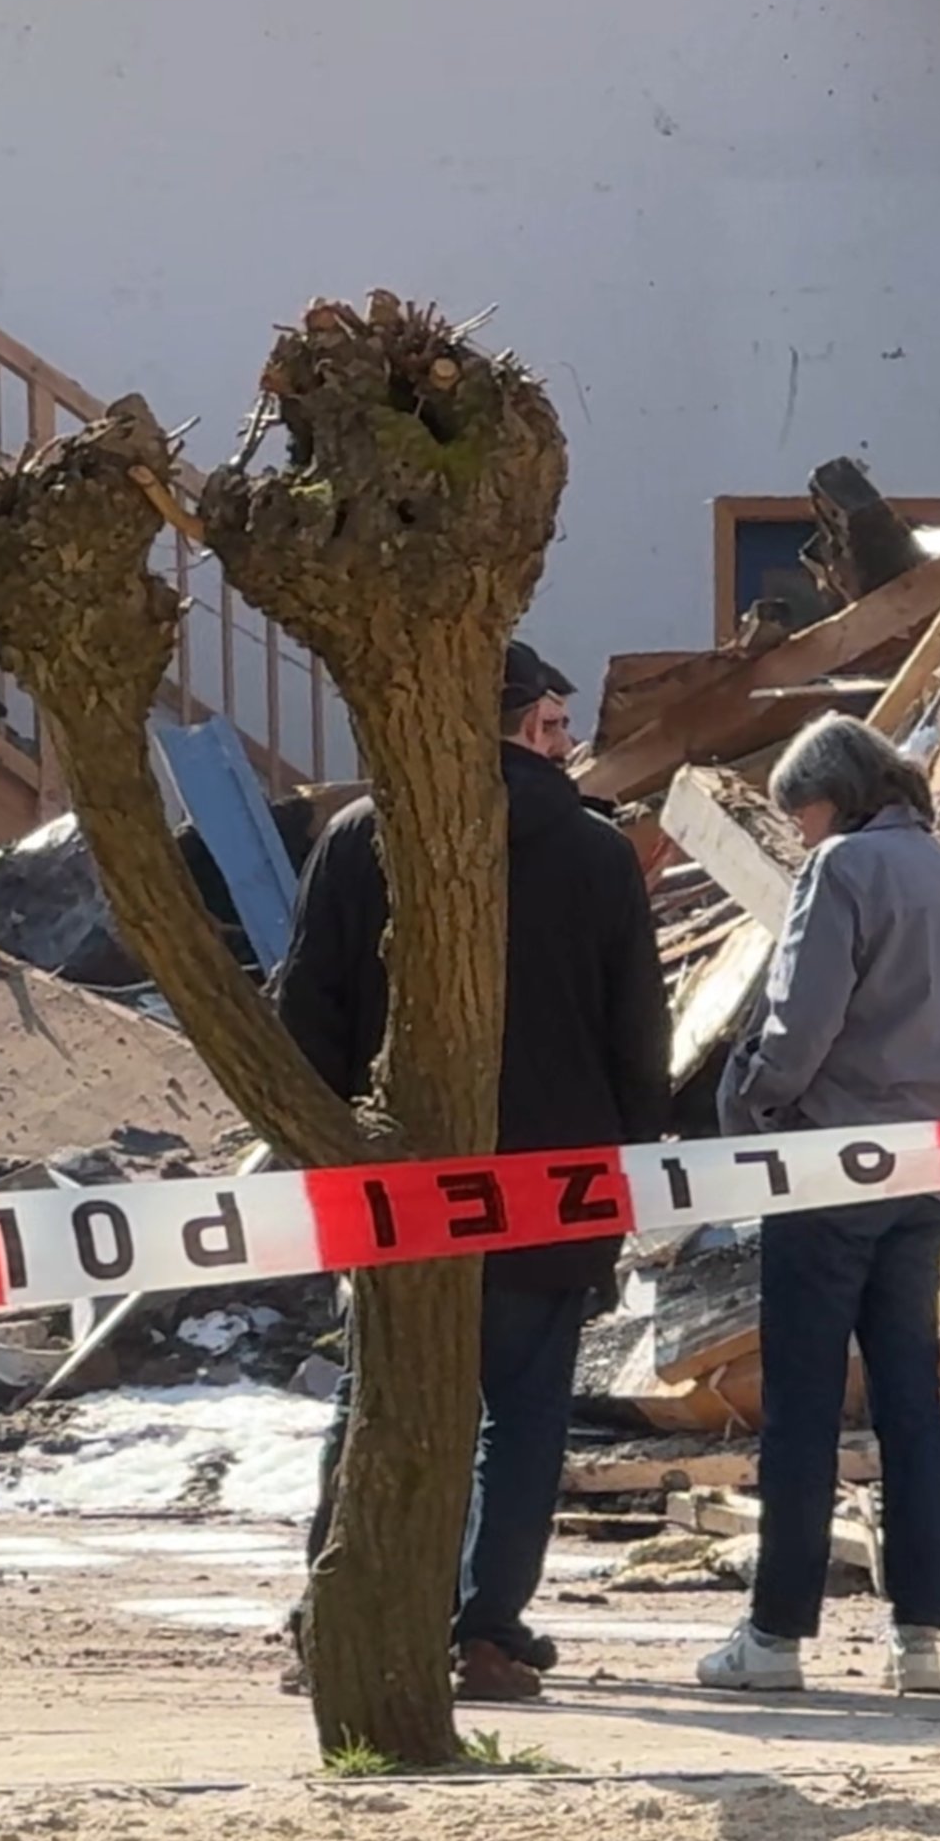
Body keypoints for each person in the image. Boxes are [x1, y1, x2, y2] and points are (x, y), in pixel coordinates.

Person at [275, 639, 670, 1705]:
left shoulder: (361, 838)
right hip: (552, 1186)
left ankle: (337, 1614)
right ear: (529, 718)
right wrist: (626, 1174)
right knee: (525, 1412)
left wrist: (324, 1157)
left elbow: (305, 1014)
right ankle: (488, 1629)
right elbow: (640, 1035)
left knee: (378, 1397)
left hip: (394, 1184)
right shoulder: (594, 853)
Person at [695, 715, 940, 1698]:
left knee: (805, 1407)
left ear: (833, 796)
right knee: (911, 1402)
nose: (801, 837)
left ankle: (776, 1635)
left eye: (802, 816)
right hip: (930, 1166)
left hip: (830, 1164)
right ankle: (921, 1638)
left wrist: (751, 1104)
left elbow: (800, 1020)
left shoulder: (844, 870)